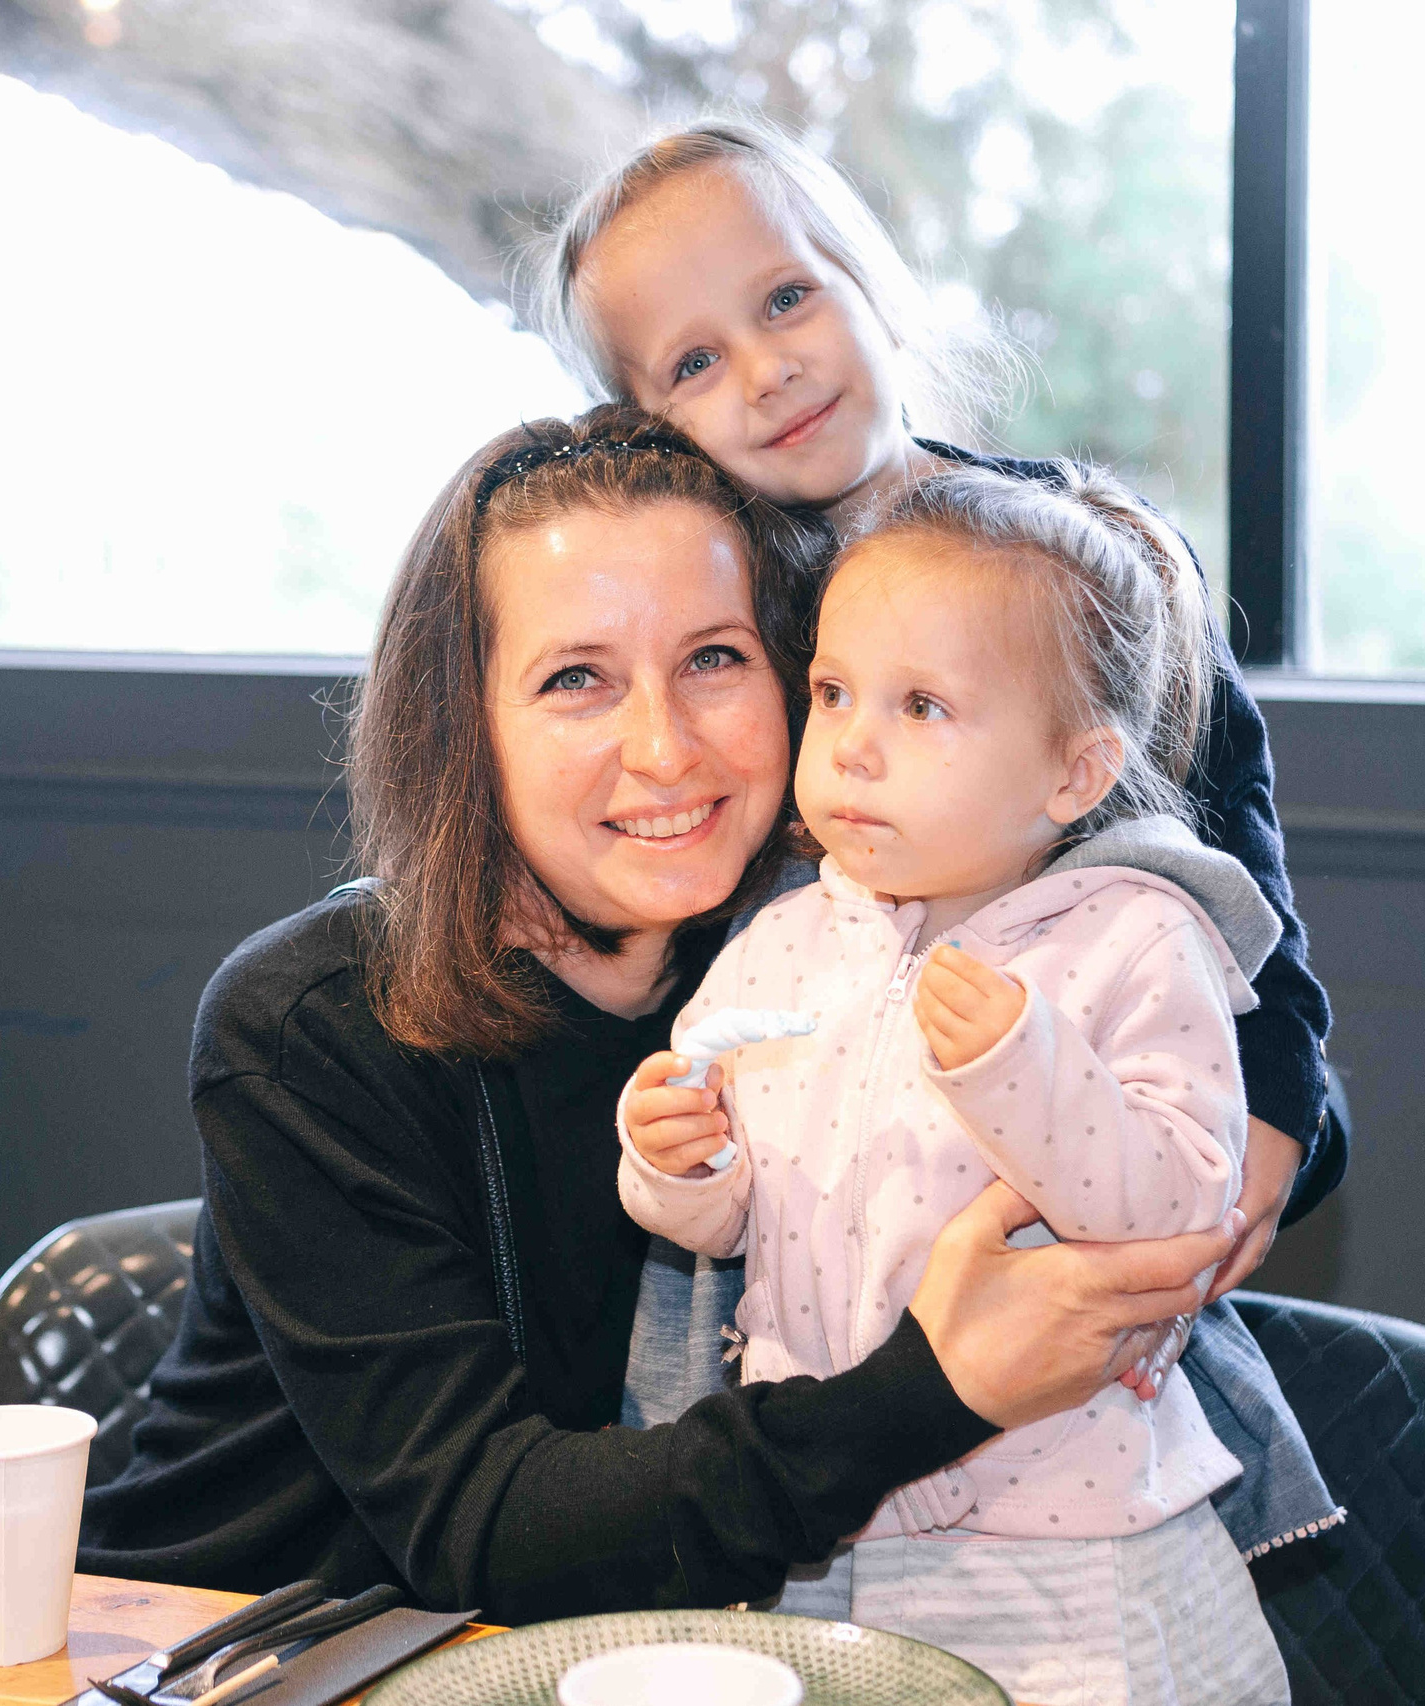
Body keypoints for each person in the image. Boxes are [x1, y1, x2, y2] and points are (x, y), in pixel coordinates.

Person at [75, 407, 1246, 1619]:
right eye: (576, 679)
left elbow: (1068, 690)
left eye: (713, 659)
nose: (664, 746)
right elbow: (484, 1525)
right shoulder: (309, 1025)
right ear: (464, 724)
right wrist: (939, 1383)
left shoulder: (824, 957)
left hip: (624, 1642)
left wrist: (1270, 1098)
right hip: (234, 1639)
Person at [537, 117, 1343, 1560]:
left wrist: (1280, 1099)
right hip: (807, 1225)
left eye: (787, 297)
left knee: (1110, 1503)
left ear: (872, 280)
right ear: (647, 428)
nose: (766, 369)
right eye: (694, 361)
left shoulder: (1073, 555)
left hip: (1067, 1168)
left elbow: (1235, 847)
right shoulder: (724, 624)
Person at [618, 465, 1290, 1705]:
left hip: (1060, 1544)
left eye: (922, 705)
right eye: (832, 692)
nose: (853, 744)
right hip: (823, 1519)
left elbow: (1180, 1215)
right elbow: (721, 1217)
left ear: (1075, 774)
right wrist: (676, 1158)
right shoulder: (782, 941)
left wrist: (1024, 1069)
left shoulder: (1135, 940)